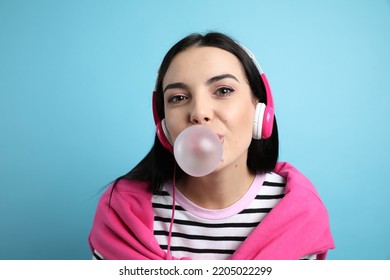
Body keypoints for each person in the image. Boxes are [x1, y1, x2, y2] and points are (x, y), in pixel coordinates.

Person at [89, 32, 335, 260]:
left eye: (224, 90)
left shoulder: (298, 216)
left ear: (260, 109)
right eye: (178, 98)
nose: (199, 113)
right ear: (163, 125)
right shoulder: (122, 218)